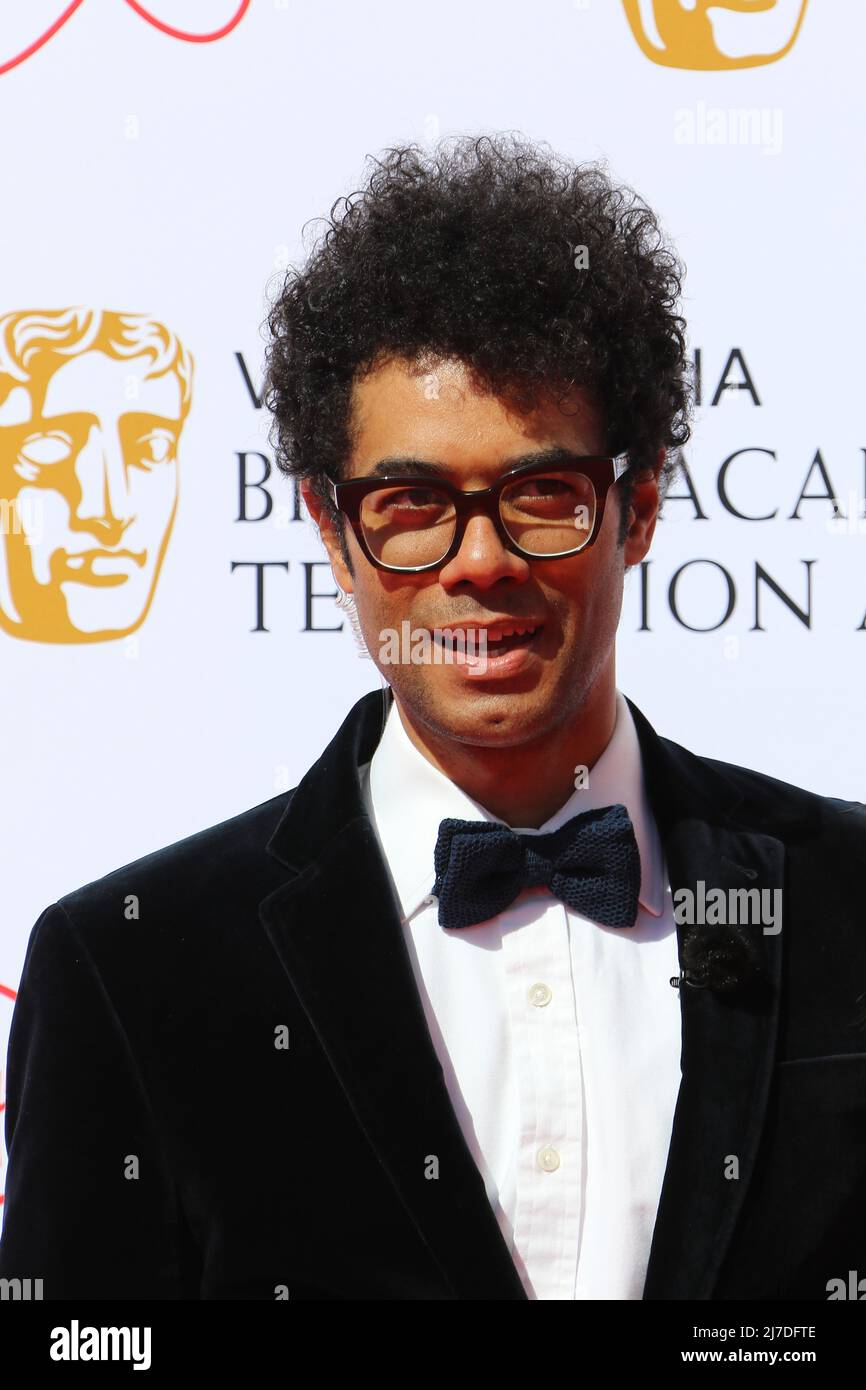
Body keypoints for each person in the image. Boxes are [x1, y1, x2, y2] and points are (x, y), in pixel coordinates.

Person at [2, 134, 865, 1302]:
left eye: (538, 495)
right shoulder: (135, 963)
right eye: (410, 505)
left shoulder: (844, 903)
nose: (480, 563)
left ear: (640, 508)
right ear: (327, 527)